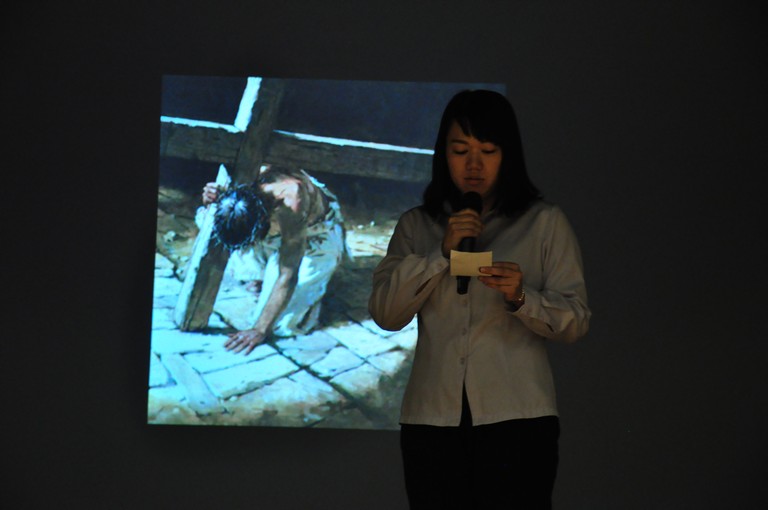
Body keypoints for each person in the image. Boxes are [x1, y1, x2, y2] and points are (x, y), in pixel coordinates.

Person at [368, 90, 590, 509]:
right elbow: (385, 313)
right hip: (432, 421)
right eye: (460, 151)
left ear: (508, 155)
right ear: (443, 154)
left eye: (487, 151)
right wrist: (440, 255)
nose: (473, 165)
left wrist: (522, 297)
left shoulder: (544, 223)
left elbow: (576, 320)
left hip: (518, 419)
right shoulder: (416, 226)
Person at [199, 164, 345, 355]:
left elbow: (288, 272)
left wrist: (260, 329)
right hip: (270, 227)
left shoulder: (291, 199)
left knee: (282, 324)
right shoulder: (234, 184)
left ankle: (316, 285)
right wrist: (207, 199)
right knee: (204, 219)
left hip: (313, 236)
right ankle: (262, 271)